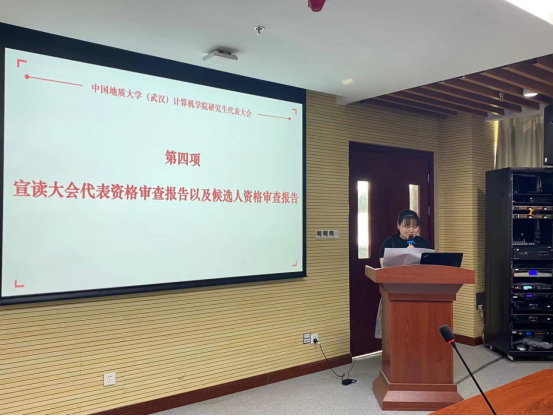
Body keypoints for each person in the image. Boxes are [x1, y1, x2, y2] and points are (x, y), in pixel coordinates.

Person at [375, 209, 434, 339]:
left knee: (419, 329)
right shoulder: (390, 243)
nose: (411, 230)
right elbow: (384, 267)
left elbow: (431, 266)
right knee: (397, 331)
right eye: (407, 226)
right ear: (398, 225)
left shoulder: (424, 243)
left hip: (420, 289)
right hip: (395, 290)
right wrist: (406, 254)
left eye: (415, 226)